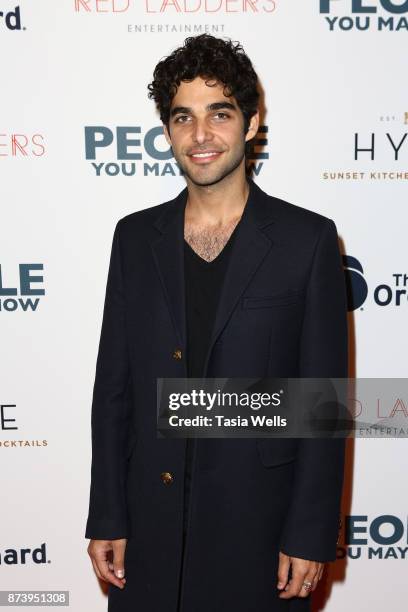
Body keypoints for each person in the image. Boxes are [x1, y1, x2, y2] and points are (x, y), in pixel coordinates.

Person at [85, 34, 348, 612]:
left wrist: (309, 532)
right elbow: (114, 390)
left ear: (251, 124)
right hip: (148, 531)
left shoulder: (308, 241)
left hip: (259, 532)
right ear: (169, 131)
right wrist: (107, 512)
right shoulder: (134, 238)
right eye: (184, 117)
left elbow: (327, 403)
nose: (200, 136)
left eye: (220, 114)